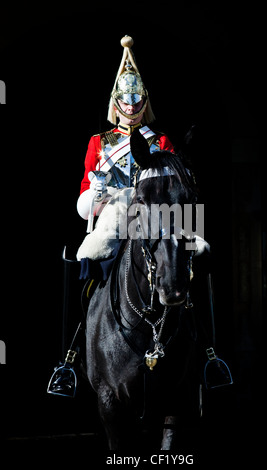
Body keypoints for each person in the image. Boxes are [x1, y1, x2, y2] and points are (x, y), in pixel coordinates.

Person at [47, 35, 174, 397]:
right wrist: (99, 193)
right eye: (125, 99)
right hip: (113, 213)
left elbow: (168, 183)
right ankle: (71, 357)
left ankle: (209, 354)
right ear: (115, 103)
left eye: (137, 99)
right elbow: (85, 197)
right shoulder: (98, 142)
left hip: (153, 212)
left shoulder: (160, 140)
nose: (131, 105)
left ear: (145, 101)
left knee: (186, 256)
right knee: (89, 256)